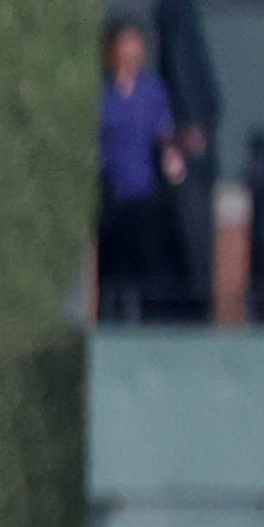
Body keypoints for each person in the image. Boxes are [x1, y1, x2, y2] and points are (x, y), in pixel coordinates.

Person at [97, 16, 199, 322]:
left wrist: (183, 142)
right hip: (109, 192)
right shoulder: (100, 91)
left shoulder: (152, 90)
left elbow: (164, 132)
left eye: (135, 49)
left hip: (144, 192)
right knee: (111, 269)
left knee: (147, 264)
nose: (130, 56)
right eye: (124, 48)